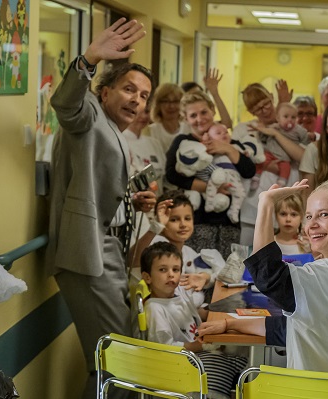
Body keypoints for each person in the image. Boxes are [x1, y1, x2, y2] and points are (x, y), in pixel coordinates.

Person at [46, 18, 157, 399]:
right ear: (104, 92)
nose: (137, 100)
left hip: (108, 250)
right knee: (117, 359)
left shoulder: (111, 129)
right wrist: (89, 58)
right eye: (129, 90)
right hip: (87, 254)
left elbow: (95, 183)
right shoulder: (89, 113)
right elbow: (65, 103)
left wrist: (130, 198)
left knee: (116, 355)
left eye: (144, 96)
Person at [246, 179, 328, 377]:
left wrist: (266, 203)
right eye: (308, 217)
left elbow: (269, 276)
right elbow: (298, 326)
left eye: (324, 214)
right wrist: (229, 324)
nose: (312, 225)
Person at [140, 241, 246, 399]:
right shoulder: (155, 309)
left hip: (198, 353)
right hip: (180, 364)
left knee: (242, 353)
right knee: (228, 361)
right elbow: (164, 348)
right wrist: (201, 346)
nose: (171, 274)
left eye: (176, 269)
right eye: (163, 270)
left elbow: (194, 314)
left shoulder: (177, 293)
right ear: (147, 277)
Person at [166, 91, 256, 259]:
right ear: (185, 118)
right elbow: (171, 174)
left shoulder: (227, 139)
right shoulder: (183, 142)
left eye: (203, 112)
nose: (200, 118)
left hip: (230, 222)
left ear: (213, 111)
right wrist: (212, 187)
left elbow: (249, 170)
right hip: (198, 220)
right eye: (193, 115)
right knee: (199, 272)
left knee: (226, 275)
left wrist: (227, 148)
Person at [235, 82, 306, 245]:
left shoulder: (290, 127)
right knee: (247, 261)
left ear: (271, 97)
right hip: (253, 207)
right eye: (258, 109)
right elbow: (241, 163)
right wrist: (268, 164)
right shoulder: (243, 130)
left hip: (288, 210)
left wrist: (275, 132)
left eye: (266, 103)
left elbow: (303, 157)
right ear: (250, 112)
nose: (265, 109)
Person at [130, 191, 221, 292]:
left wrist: (206, 277)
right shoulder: (156, 246)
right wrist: (155, 227)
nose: (183, 224)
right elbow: (132, 261)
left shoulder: (187, 251)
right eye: (174, 220)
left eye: (187, 218)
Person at [251, 102, 311, 189]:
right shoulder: (274, 127)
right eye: (286, 117)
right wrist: (260, 130)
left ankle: (281, 182)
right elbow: (263, 136)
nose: (290, 120)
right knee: (261, 161)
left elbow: (305, 141)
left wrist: (309, 137)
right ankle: (256, 177)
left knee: (286, 168)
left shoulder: (298, 131)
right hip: (270, 153)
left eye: (293, 117)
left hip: (285, 158)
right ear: (278, 118)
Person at [123, 104, 167, 197]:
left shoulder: (154, 143)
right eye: (138, 112)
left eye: (146, 111)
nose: (143, 116)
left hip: (158, 204)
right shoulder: (121, 142)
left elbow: (164, 179)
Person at [148, 82, 187, 154]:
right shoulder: (150, 131)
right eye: (166, 101)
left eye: (176, 101)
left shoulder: (189, 129)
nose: (171, 106)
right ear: (158, 104)